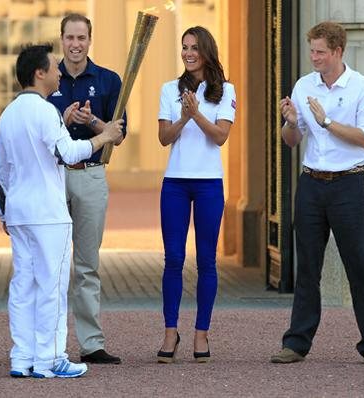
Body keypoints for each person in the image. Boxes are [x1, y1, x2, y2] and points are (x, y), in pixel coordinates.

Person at [0, 43, 123, 379]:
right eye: (53, 67)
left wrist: (4, 212)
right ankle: (51, 357)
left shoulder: (8, 114)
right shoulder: (44, 110)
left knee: (23, 285)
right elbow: (68, 151)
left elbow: (0, 170)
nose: (58, 72)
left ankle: (22, 357)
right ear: (39, 73)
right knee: (51, 285)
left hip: (20, 211)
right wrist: (104, 136)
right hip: (48, 213)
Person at [269, 21, 364, 365]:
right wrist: (291, 121)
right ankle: (296, 343)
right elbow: (292, 141)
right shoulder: (305, 84)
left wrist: (326, 122)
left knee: (359, 264)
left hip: (349, 183)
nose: (314, 57)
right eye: (312, 50)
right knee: (306, 266)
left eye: (320, 51)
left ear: (338, 51)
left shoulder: (363, 87)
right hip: (311, 183)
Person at [46, 13, 124, 365]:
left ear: (90, 40)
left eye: (81, 38)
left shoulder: (109, 80)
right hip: (54, 175)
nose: (75, 44)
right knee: (52, 264)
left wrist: (91, 121)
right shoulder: (47, 79)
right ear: (61, 39)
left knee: (87, 264)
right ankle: (49, 342)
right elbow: (39, 132)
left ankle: (91, 343)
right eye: (69, 38)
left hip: (91, 175)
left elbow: (118, 134)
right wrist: (64, 120)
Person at [156, 26, 235, 363]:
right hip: (175, 182)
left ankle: (201, 333)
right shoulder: (168, 89)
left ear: (206, 52)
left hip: (208, 184)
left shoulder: (225, 90)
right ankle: (170, 332)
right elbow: (164, 138)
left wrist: (196, 113)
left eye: (194, 48)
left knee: (206, 261)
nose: (188, 53)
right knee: (173, 259)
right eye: (184, 47)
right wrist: (184, 118)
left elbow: (220, 136)